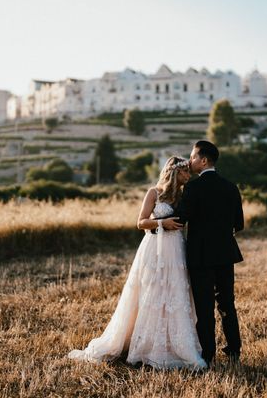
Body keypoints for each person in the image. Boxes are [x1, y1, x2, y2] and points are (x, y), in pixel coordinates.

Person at [68, 156, 207, 370]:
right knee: (150, 292)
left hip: (175, 249)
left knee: (174, 293)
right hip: (154, 247)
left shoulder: (184, 195)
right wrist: (162, 222)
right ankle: (142, 344)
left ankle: (173, 346)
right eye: (185, 172)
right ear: (174, 172)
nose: (189, 176)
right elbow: (140, 222)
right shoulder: (154, 192)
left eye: (189, 172)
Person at [175, 140, 244, 365]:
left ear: (203, 160)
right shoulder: (231, 187)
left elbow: (180, 220)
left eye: (194, 157)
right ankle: (234, 350)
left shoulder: (192, 188)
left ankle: (208, 355)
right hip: (225, 254)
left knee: (204, 309)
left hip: (201, 256)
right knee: (227, 304)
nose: (191, 160)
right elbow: (239, 224)